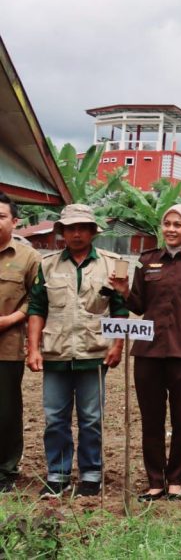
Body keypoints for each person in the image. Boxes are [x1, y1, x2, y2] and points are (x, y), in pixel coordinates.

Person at [110, 204, 181, 502]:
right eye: (167, 223)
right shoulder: (147, 261)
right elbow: (140, 306)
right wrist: (123, 291)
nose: (170, 229)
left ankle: (176, 480)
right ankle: (156, 480)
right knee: (151, 419)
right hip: (148, 353)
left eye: (177, 225)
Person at [25, 204, 125, 498]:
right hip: (55, 353)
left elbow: (119, 308)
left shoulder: (111, 264)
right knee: (54, 416)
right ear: (62, 233)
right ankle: (58, 473)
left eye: (83, 227)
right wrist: (33, 348)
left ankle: (91, 474)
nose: (77, 233)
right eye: (70, 228)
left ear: (93, 231)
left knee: (91, 417)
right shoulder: (48, 265)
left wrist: (118, 344)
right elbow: (36, 308)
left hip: (94, 352)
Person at [0, 192, 41, 493]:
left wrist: (12, 319)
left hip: (8, 346)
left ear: (15, 221)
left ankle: (5, 470)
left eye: (1, 216)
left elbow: (36, 300)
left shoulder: (29, 258)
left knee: (6, 410)